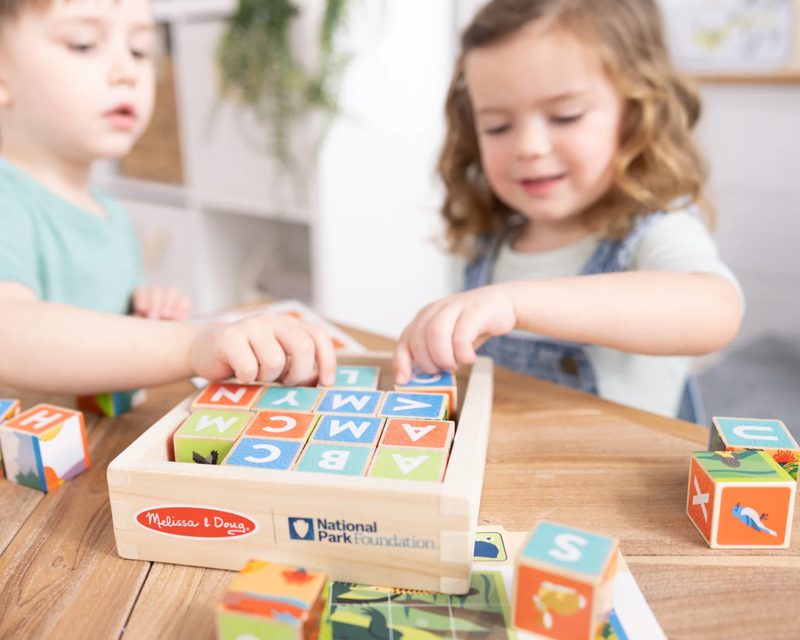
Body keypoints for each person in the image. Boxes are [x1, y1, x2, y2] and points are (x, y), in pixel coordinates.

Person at [393, 0, 743, 422]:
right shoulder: (494, 237)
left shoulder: (653, 230)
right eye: (497, 126)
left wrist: (514, 303)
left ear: (637, 114)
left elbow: (716, 310)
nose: (529, 147)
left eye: (565, 115)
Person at [0, 0, 336, 394]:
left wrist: (137, 315)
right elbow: (11, 333)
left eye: (140, 50)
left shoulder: (108, 212)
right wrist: (190, 345)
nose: (128, 71)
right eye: (84, 44)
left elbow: (87, 342)